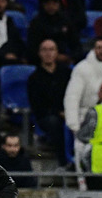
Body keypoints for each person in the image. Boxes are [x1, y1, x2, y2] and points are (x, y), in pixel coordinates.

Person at [27, 39, 72, 167]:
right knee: (55, 122)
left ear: (57, 53)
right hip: (47, 116)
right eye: (44, 50)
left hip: (68, 112)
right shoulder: (34, 78)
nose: (48, 53)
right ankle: (64, 162)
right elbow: (37, 106)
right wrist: (59, 112)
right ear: (39, 53)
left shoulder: (67, 73)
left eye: (51, 49)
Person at [27, 0, 81, 64]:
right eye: (48, 3)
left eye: (54, 3)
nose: (51, 6)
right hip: (40, 63)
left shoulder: (66, 21)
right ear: (43, 5)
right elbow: (32, 49)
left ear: (59, 4)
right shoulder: (36, 23)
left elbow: (76, 45)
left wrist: (70, 57)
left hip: (63, 61)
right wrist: (50, 56)